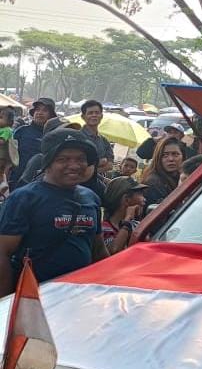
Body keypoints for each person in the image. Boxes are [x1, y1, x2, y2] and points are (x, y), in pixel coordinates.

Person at [0, 128, 109, 296]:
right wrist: (5, 305)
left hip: (79, 297)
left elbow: (98, 250)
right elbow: (3, 253)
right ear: (48, 162)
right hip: (33, 300)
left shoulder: (91, 198)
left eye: (80, 159)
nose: (74, 166)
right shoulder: (24, 198)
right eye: (63, 159)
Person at [8, 96, 55, 191]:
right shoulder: (21, 131)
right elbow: (10, 156)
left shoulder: (55, 135)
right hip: (17, 183)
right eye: (37, 110)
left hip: (43, 186)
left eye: (45, 110)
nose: (40, 113)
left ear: (51, 115)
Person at [101, 176, 147, 254]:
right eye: (140, 194)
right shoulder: (104, 228)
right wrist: (127, 221)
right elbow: (113, 251)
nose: (144, 199)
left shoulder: (137, 225)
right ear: (126, 200)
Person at [141, 137, 185, 206]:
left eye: (175, 154)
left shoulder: (182, 178)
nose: (170, 159)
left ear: (183, 157)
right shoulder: (153, 182)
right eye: (165, 155)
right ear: (158, 158)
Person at [80, 99, 115, 174]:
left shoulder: (104, 140)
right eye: (90, 113)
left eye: (97, 113)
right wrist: (101, 162)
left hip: (99, 181)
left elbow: (110, 165)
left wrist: (93, 169)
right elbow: (79, 165)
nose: (94, 115)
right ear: (83, 116)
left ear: (101, 116)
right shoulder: (78, 137)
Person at [0, 107, 17, 200]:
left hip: (2, 156)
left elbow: (2, 141)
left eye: (1, 117)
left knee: (1, 172)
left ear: (9, 121)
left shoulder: (7, 130)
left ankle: (3, 184)